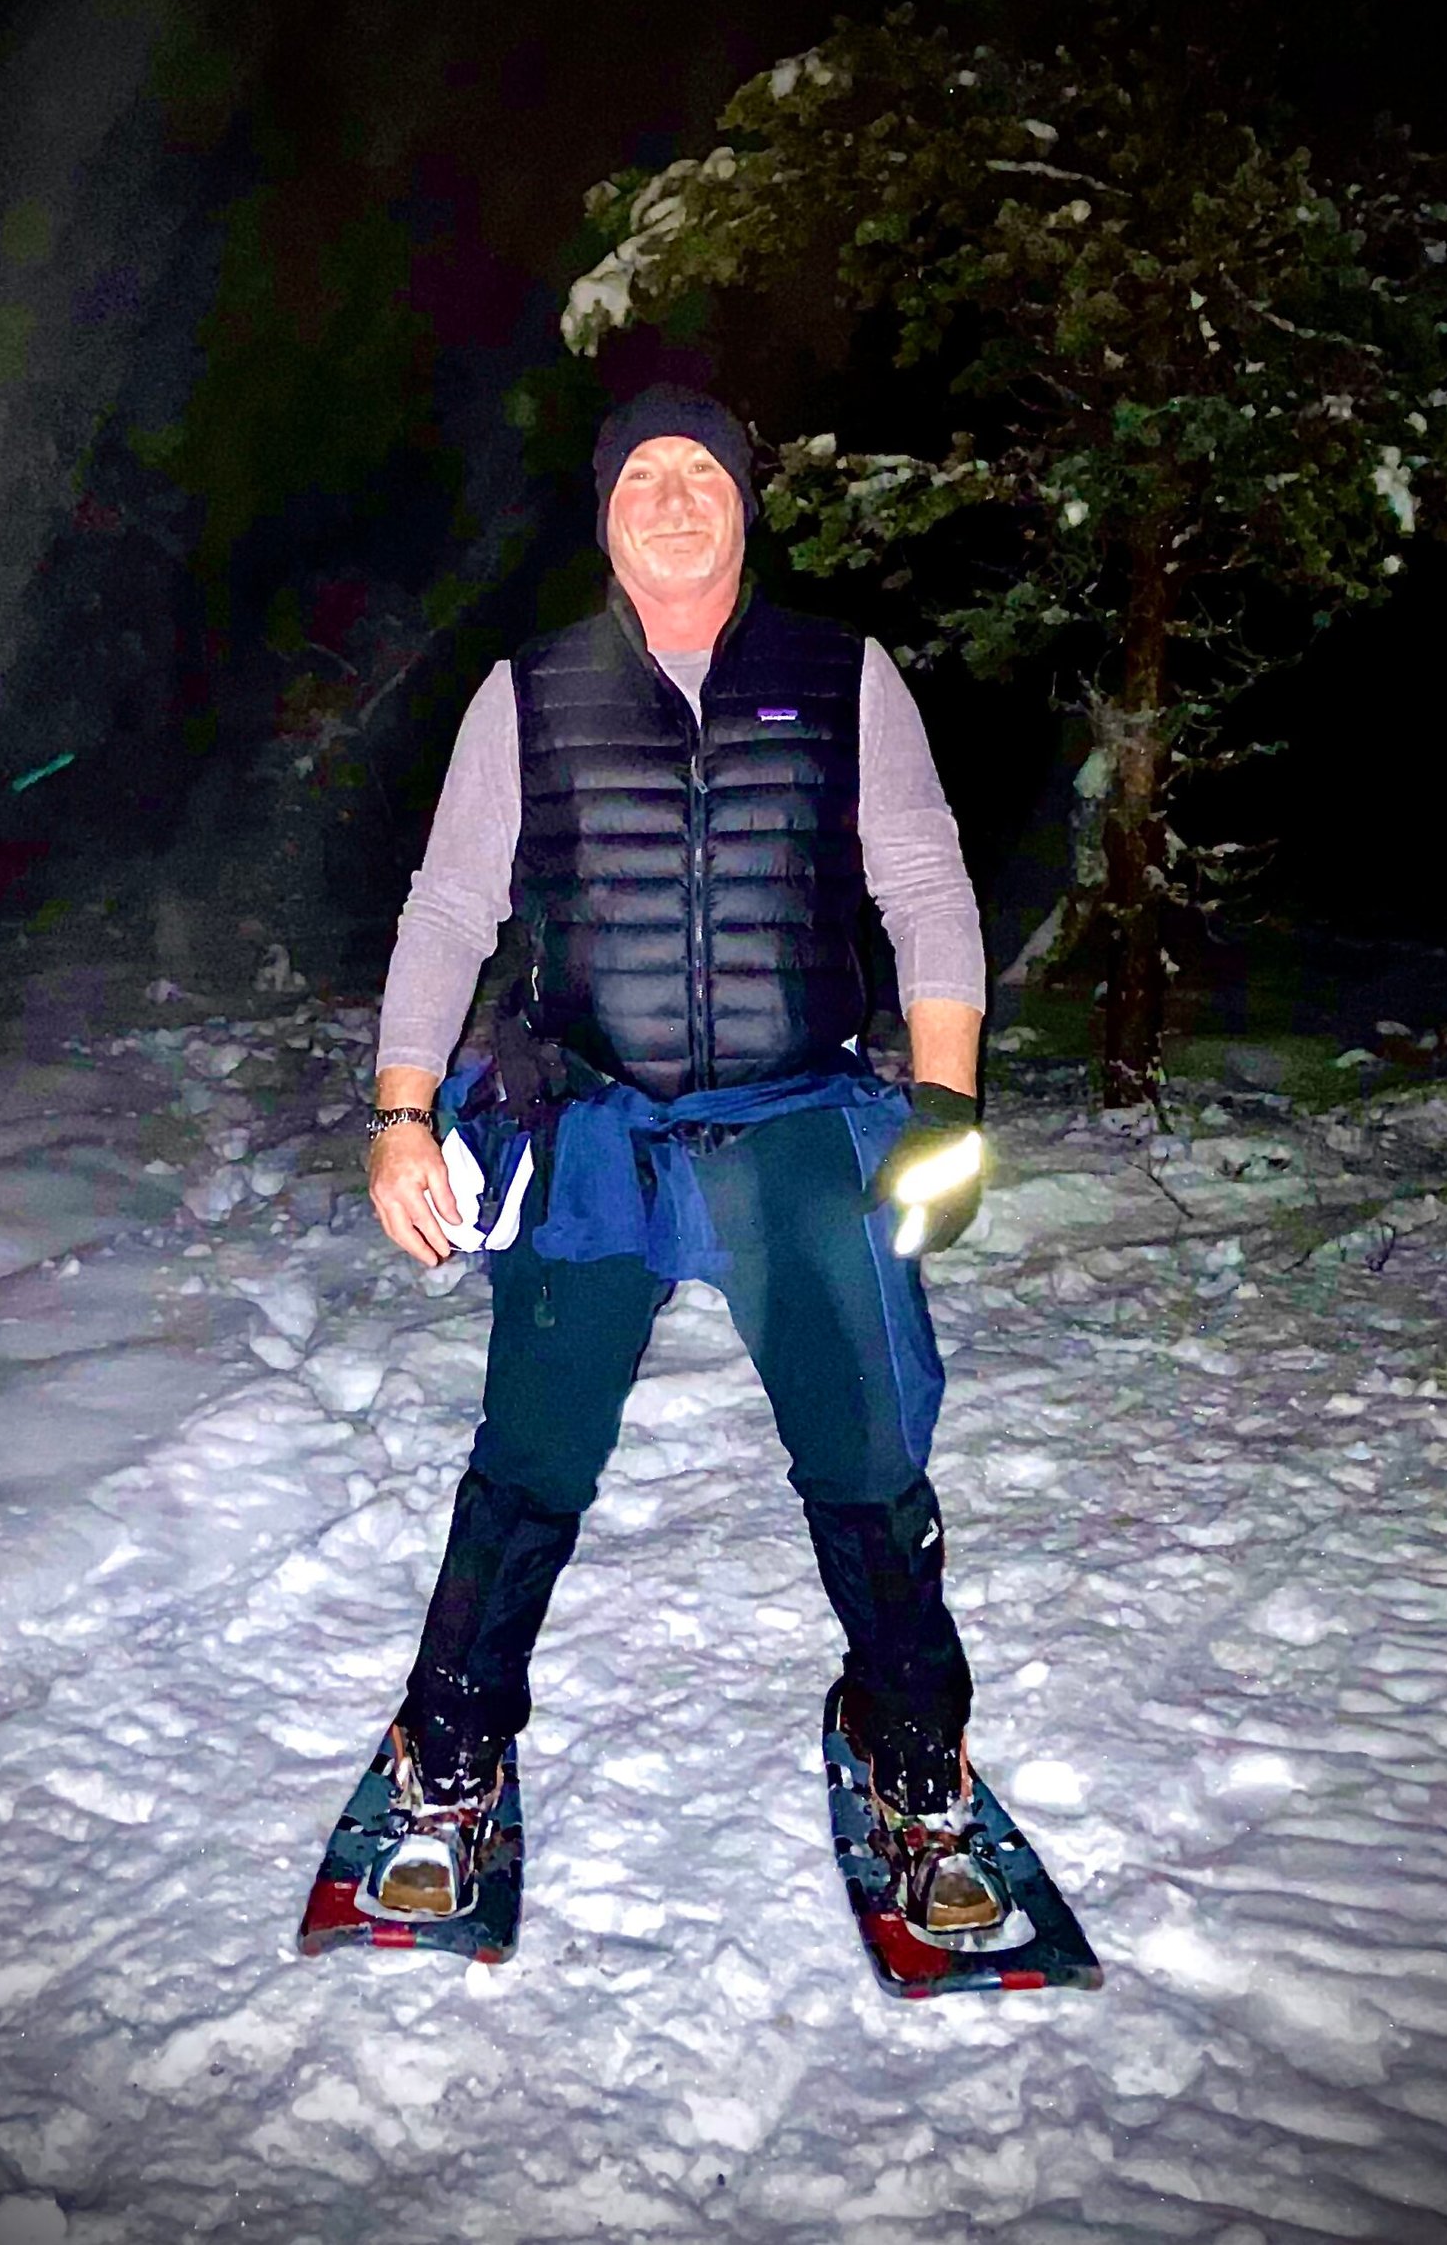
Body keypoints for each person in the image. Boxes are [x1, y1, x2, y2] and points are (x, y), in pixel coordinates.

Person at [367, 385, 994, 1933]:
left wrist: (944, 1101)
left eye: (699, 468)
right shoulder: (527, 694)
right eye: (639, 471)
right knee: (531, 1454)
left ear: (743, 501)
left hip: (797, 1125)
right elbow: (449, 907)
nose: (670, 492)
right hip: (594, 1129)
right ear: (605, 513)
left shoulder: (845, 677)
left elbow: (925, 888)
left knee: (867, 1457)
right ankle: (450, 1751)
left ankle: (911, 1750)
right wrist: (398, 1115)